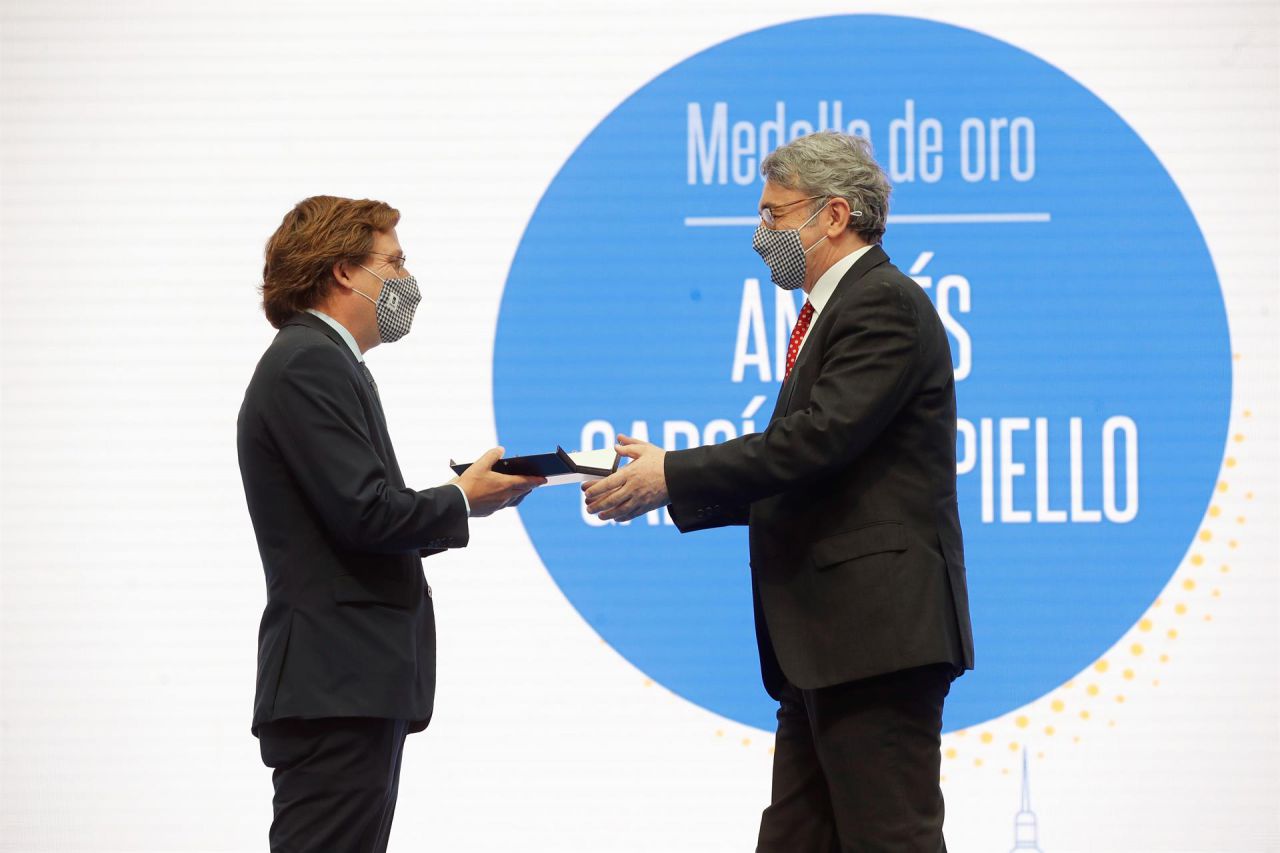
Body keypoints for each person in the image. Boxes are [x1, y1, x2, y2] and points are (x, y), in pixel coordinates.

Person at [584, 132, 975, 851]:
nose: (760, 234)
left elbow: (816, 443)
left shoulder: (881, 302)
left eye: (773, 214)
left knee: (891, 838)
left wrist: (674, 471)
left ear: (833, 215)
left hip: (873, 639)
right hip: (825, 645)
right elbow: (812, 473)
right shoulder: (836, 310)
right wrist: (660, 484)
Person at [237, 196, 543, 852]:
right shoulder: (309, 362)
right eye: (394, 261)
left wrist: (465, 497)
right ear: (345, 271)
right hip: (334, 689)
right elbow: (366, 512)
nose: (407, 279)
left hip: (347, 688)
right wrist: (465, 497)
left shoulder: (326, 362)